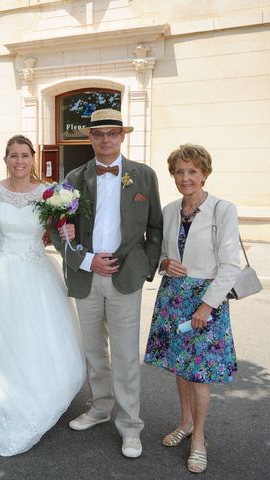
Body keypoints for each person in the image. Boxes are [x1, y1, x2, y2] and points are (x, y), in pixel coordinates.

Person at [49, 109, 163, 458]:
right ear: (90, 138)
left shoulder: (143, 176)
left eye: (112, 133)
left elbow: (155, 227)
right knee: (94, 351)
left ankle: (130, 425)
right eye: (99, 134)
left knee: (127, 355)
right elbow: (57, 227)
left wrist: (144, 266)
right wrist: (86, 259)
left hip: (125, 277)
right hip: (86, 274)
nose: (106, 139)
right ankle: (100, 408)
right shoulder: (74, 177)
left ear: (122, 136)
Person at [0, 135, 86, 456]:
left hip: (35, 270)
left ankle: (40, 390)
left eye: (24, 155)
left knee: (34, 334)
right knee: (0, 336)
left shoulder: (48, 193)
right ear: (5, 159)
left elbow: (57, 229)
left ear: (33, 158)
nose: (19, 161)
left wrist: (66, 230)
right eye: (13, 156)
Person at [144, 144, 239, 474]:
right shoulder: (169, 210)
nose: (185, 178)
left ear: (205, 174)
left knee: (199, 374)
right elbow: (158, 254)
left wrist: (206, 306)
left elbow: (230, 266)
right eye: (179, 172)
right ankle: (184, 422)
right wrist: (164, 263)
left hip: (206, 300)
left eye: (192, 171)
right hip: (173, 297)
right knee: (179, 367)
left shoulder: (223, 210)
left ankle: (198, 438)